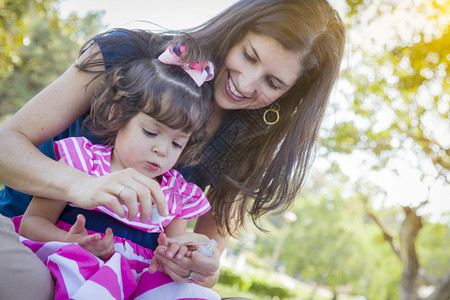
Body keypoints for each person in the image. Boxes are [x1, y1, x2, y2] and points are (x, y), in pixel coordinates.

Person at [0, 0, 346, 298]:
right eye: (249, 56)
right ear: (235, 31)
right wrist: (81, 184)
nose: (245, 84)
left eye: (273, 83)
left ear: (290, 95)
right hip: (25, 242)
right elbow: (7, 146)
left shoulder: (248, 142)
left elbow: (210, 258)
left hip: (127, 279)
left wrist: (198, 262)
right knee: (31, 287)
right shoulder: (125, 55)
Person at [12, 38, 221, 299]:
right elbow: (31, 224)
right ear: (116, 113)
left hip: (135, 287)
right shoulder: (83, 163)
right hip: (74, 270)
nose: (162, 150)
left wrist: (180, 256)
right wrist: (69, 242)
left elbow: (172, 248)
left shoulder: (175, 195)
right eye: (150, 132)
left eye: (177, 142)